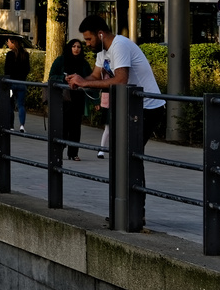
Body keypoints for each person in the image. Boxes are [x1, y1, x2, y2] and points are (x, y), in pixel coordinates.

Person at [68, 15, 164, 228]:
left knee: (131, 155)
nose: (87, 44)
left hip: (148, 107)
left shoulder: (119, 45)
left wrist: (85, 84)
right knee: (122, 155)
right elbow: (95, 75)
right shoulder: (102, 51)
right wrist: (78, 79)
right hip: (132, 108)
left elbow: (121, 80)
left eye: (89, 39)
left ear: (100, 34)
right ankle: (124, 209)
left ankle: (136, 212)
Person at [48, 38, 92, 159]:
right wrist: (63, 79)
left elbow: (90, 79)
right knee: (63, 126)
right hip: (63, 99)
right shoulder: (60, 60)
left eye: (78, 47)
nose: (76, 49)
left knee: (76, 127)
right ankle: (59, 149)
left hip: (78, 99)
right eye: (73, 46)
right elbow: (51, 76)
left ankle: (73, 153)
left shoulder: (84, 63)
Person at [2, 36, 31, 130]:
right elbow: (27, 69)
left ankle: (11, 126)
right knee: (21, 105)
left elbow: (6, 69)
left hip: (11, 82)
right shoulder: (25, 54)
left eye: (9, 42)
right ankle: (22, 125)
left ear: (13, 43)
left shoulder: (10, 55)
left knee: (10, 105)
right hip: (21, 82)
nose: (7, 43)